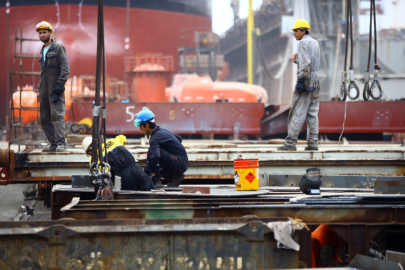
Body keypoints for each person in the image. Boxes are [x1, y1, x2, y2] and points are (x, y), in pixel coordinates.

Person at [278, 19, 320, 151]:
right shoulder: (315, 42)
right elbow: (310, 63)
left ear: (303, 31)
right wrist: (298, 61)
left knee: (297, 111)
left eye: (296, 31)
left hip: (306, 79)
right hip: (316, 80)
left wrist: (301, 81)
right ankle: (313, 143)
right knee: (312, 113)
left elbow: (306, 65)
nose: (294, 33)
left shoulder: (302, 43)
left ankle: (290, 143)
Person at [36, 21, 70, 152]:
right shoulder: (42, 51)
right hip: (44, 91)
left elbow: (65, 68)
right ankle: (53, 144)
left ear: (50, 33)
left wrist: (61, 84)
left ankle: (61, 144)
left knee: (57, 117)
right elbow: (43, 73)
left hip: (55, 90)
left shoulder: (58, 48)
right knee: (45, 119)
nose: (42, 35)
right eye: (40, 33)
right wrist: (40, 91)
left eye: (44, 32)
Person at [134, 109, 188, 188]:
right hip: (182, 161)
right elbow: (179, 138)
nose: (140, 129)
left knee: (152, 153)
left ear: (147, 125)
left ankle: (157, 181)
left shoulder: (154, 138)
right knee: (155, 155)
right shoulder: (162, 131)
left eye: (141, 126)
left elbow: (155, 156)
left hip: (180, 162)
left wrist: (148, 169)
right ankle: (174, 177)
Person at [82, 135, 154, 191]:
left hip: (125, 178)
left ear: (89, 152)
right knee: (148, 192)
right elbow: (123, 137)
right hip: (137, 170)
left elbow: (104, 174)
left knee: (130, 199)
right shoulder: (113, 141)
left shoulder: (94, 158)